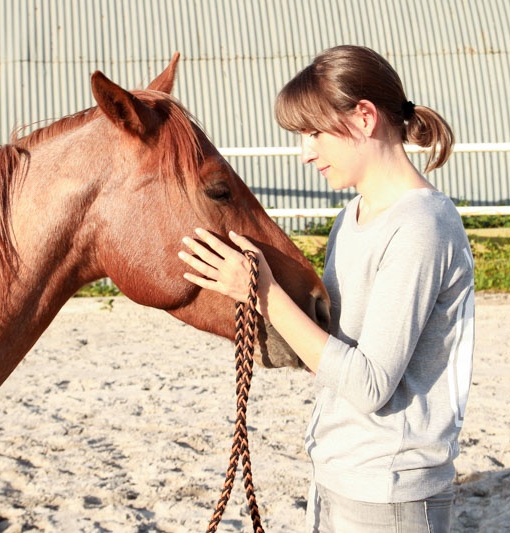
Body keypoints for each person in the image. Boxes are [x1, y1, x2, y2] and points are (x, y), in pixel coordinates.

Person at [178, 45, 474, 532]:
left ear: (364, 117)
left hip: (389, 491)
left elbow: (370, 385)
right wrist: (248, 297)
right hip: (336, 471)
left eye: (314, 132)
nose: (306, 153)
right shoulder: (350, 218)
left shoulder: (421, 226)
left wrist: (265, 294)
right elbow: (331, 348)